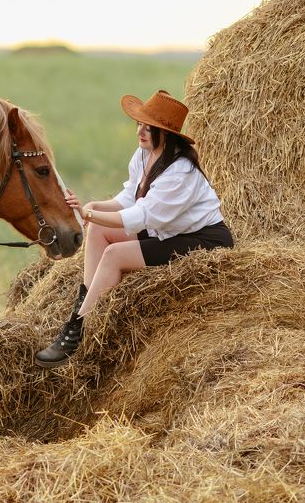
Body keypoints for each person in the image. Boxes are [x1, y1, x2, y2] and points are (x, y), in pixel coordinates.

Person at [35, 90, 234, 368]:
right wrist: (94, 207)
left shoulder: (181, 172)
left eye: (148, 127)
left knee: (115, 254)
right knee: (98, 231)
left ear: (166, 134)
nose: (139, 131)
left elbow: (141, 217)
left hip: (201, 239)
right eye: (138, 124)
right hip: (165, 229)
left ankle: (77, 329)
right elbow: (129, 197)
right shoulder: (144, 154)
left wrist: (88, 213)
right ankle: (86, 302)